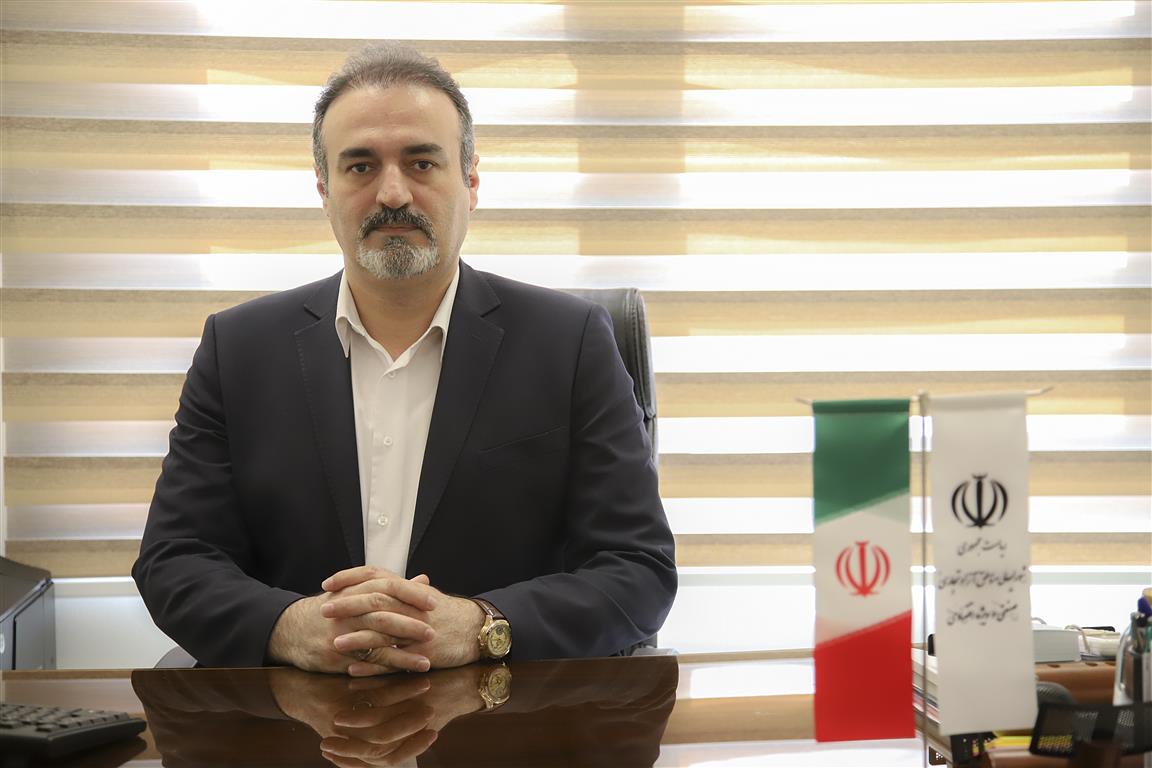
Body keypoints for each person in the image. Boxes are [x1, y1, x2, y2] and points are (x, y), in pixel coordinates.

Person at [132, 43, 677, 676]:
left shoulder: (571, 342)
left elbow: (638, 568)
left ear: (470, 182)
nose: (393, 193)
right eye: (360, 166)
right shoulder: (239, 349)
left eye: (422, 162)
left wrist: (482, 626)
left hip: (504, 712)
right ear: (325, 190)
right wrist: (288, 628)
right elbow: (175, 559)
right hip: (294, 715)